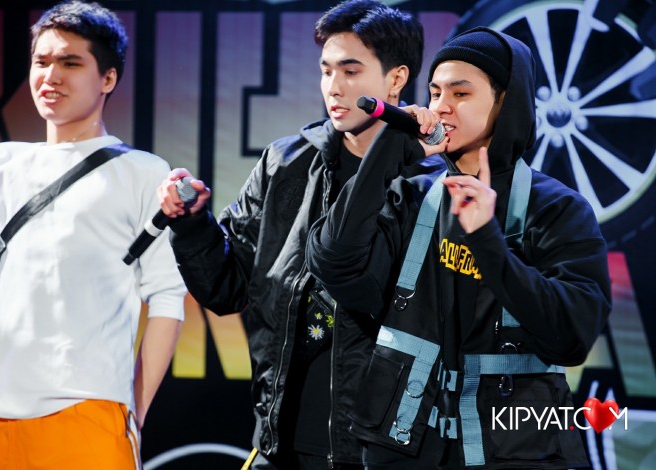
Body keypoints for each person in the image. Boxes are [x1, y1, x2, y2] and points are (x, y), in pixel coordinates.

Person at [306, 27, 611, 469]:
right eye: (434, 93)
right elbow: (335, 264)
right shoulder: (409, 195)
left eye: (460, 93)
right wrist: (388, 150)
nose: (440, 106)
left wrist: (487, 241)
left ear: (506, 102)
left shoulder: (559, 209)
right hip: (402, 448)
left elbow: (570, 338)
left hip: (515, 452)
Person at [157, 1, 432, 467]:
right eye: (326, 70)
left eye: (350, 71)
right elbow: (226, 288)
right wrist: (191, 224)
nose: (334, 87)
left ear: (397, 79)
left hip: (380, 450)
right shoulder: (286, 163)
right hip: (280, 442)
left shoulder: (428, 181)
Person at [0, 1, 186, 468]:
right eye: (41, 61)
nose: (50, 76)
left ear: (108, 78)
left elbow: (166, 297)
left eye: (70, 63)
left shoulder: (142, 172)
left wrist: (133, 412)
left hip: (85, 413)